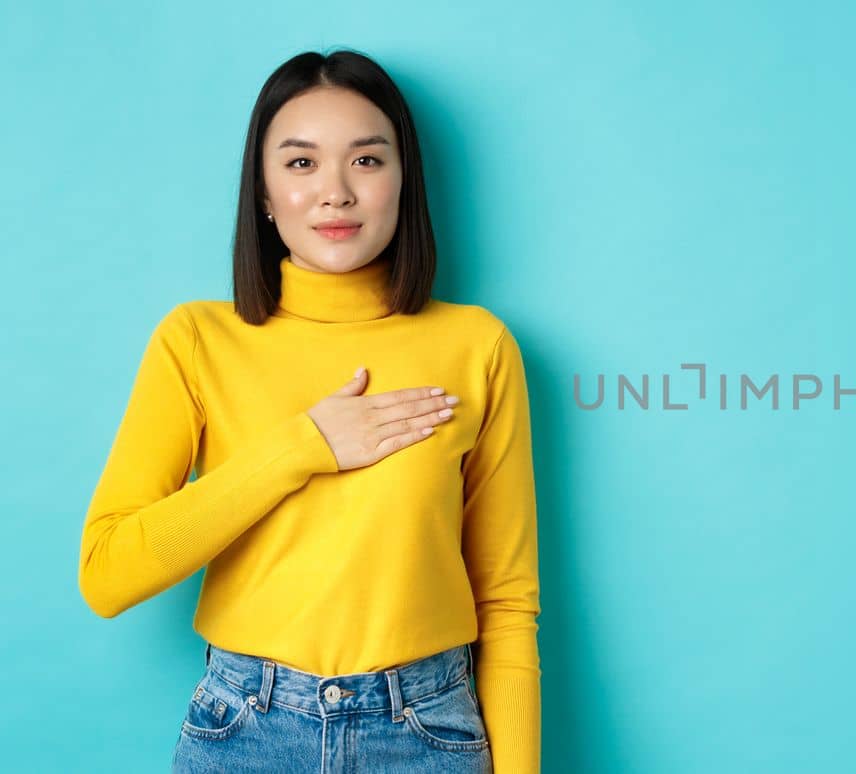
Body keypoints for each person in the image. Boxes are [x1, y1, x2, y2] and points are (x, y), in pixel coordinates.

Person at [77, 48, 540, 773]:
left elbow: (507, 604)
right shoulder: (197, 339)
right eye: (300, 164)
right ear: (263, 192)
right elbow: (106, 574)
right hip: (244, 729)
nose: (335, 193)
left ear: (402, 181)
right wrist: (300, 447)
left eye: (366, 160)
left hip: (427, 732)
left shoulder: (477, 345)